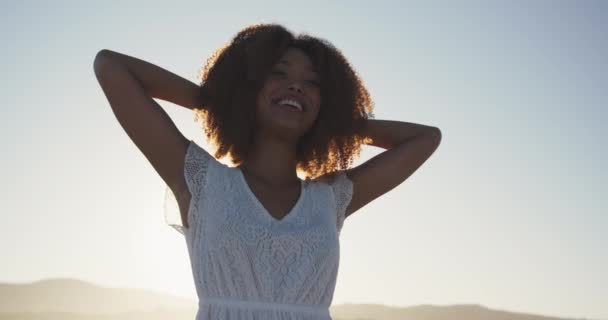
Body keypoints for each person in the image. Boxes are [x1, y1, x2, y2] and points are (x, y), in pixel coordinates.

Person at [93, 23, 441, 320]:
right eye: (279, 73)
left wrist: (334, 119)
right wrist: (214, 99)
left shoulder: (331, 197)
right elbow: (111, 66)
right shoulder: (202, 181)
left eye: (313, 83)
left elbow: (425, 138)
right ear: (248, 87)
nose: (296, 86)